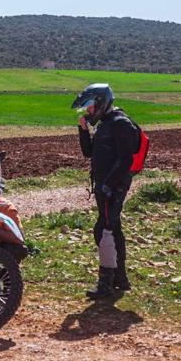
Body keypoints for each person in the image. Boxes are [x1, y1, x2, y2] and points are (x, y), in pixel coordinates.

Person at [73, 83, 141, 302]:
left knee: (105, 231)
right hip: (105, 187)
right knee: (112, 229)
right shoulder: (105, 124)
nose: (88, 111)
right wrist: (83, 130)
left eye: (90, 106)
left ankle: (106, 284)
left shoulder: (120, 123)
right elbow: (89, 152)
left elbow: (126, 159)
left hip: (113, 188)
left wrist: (109, 185)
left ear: (101, 102)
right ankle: (120, 278)